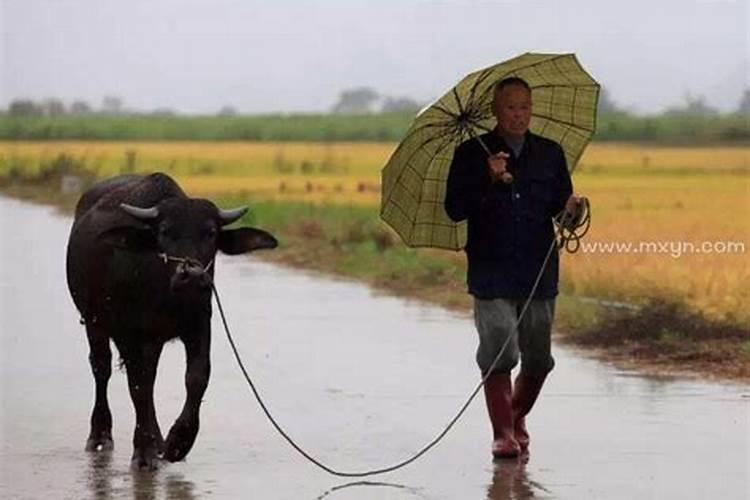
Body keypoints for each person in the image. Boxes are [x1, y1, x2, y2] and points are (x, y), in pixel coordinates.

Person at [444, 77, 583, 458]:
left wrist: (573, 211)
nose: (518, 114)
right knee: (499, 349)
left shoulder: (550, 154)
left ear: (531, 109)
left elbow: (561, 213)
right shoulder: (471, 154)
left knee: (538, 358)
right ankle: (503, 434)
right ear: (495, 110)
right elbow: (455, 209)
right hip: (491, 267)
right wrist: (486, 179)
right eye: (510, 107)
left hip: (538, 268)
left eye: (524, 106)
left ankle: (516, 415)